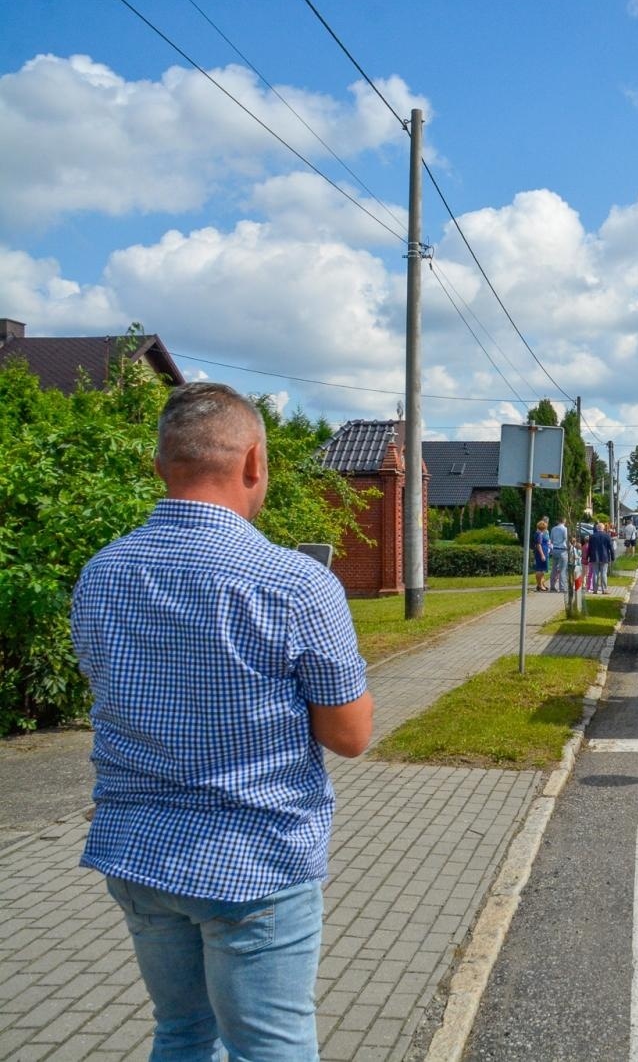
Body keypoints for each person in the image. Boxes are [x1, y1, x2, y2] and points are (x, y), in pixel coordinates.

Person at [70, 382, 372, 1060]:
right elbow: (349, 737)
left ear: (159, 467)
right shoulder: (294, 582)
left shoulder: (101, 573)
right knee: (272, 1046)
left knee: (180, 1033)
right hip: (254, 861)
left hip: (138, 853)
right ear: (255, 463)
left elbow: (109, 694)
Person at [588, 520, 615, 594]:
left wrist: (588, 556)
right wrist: (612, 557)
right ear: (603, 528)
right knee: (603, 574)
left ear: (597, 528)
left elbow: (589, 548)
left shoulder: (592, 536)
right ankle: (604, 590)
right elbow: (611, 548)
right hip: (604, 557)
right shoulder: (607, 536)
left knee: (595, 574)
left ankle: (595, 590)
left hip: (594, 557)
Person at [549, 514, 569, 595]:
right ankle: (562, 587)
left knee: (554, 569)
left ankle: (552, 587)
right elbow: (565, 538)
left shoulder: (553, 529)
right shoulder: (564, 529)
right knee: (563, 569)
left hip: (555, 549)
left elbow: (552, 539)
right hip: (562, 550)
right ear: (564, 521)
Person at [532, 517, 550, 591]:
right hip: (541, 553)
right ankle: (539, 585)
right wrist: (542, 555)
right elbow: (538, 545)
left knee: (542, 570)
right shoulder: (539, 534)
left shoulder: (539, 533)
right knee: (540, 569)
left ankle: (541, 584)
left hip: (543, 552)